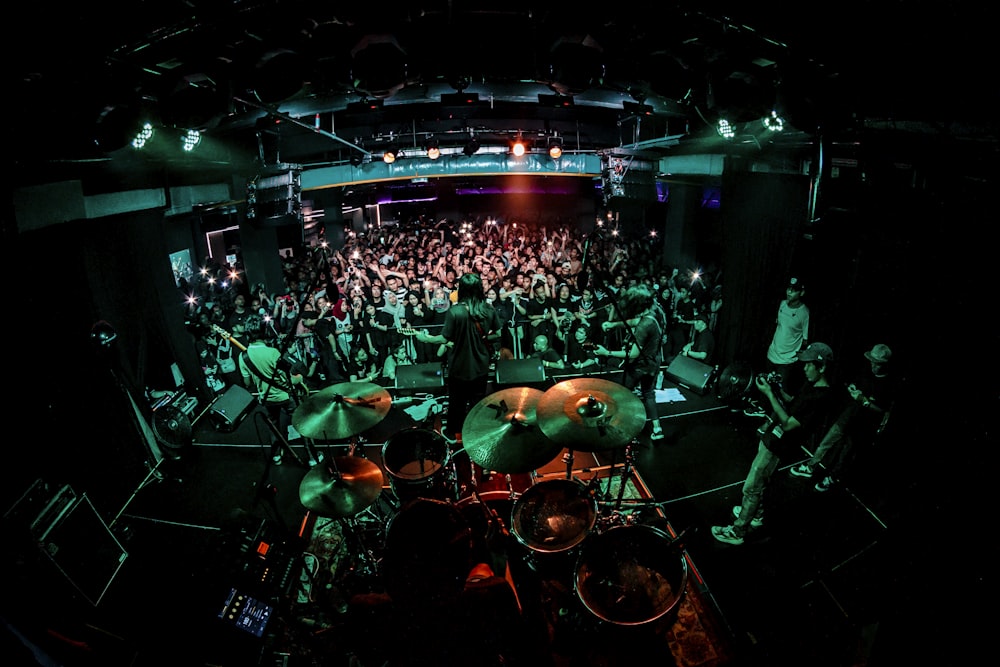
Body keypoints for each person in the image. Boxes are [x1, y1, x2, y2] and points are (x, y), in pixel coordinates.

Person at [711, 342, 839, 545]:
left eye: (809, 365)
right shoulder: (811, 384)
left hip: (780, 446)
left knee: (751, 488)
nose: (804, 368)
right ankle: (756, 515)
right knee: (758, 485)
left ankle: (738, 530)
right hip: (773, 437)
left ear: (822, 367)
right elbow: (792, 403)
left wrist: (769, 395)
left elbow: (789, 423)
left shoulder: (821, 397)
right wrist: (776, 388)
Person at [789, 343, 897, 491]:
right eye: (872, 361)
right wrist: (852, 388)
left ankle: (831, 478)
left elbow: (882, 410)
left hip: (863, 425)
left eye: (876, 363)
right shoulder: (866, 373)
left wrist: (863, 401)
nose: (873, 365)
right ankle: (810, 467)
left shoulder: (887, 385)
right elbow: (854, 384)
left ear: (885, 365)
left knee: (846, 453)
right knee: (826, 442)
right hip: (848, 415)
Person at [413, 273, 502, 444]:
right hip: (481, 364)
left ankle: (453, 434)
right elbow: (498, 334)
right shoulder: (488, 309)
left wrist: (426, 339)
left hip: (459, 365)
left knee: (456, 402)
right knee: (477, 399)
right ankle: (477, 431)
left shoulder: (455, 312)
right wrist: (483, 339)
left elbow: (444, 339)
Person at [238, 315, 323, 467]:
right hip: (285, 396)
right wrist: (299, 379)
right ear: (264, 332)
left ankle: (276, 456)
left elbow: (247, 382)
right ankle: (312, 457)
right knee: (300, 423)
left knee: (274, 427)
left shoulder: (243, 356)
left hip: (266, 399)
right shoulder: (272, 353)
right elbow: (288, 379)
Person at [594, 284, 666, 441]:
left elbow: (633, 353)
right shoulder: (654, 314)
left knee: (622, 393)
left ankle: (613, 424)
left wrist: (607, 353)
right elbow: (636, 321)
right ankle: (657, 428)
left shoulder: (644, 326)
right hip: (653, 363)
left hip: (641, 366)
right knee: (648, 394)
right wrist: (613, 324)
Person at [765, 277, 810, 390]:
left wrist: (793, 353)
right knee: (766, 388)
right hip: (772, 354)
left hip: (786, 362)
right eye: (788, 288)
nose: (789, 292)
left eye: (794, 290)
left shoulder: (804, 313)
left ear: (802, 292)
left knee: (780, 392)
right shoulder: (782, 304)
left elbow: (805, 340)